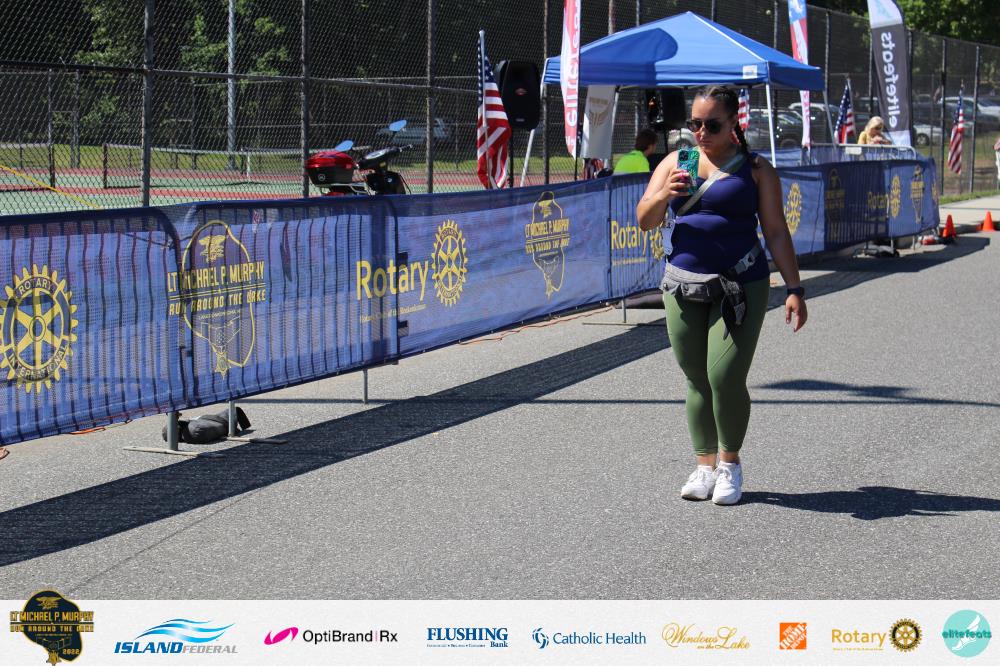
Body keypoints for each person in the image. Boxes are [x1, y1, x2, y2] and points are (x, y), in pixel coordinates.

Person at [636, 85, 807, 505]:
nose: (701, 132)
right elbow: (644, 219)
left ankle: (730, 465)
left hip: (740, 284)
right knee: (696, 378)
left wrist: (794, 288)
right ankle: (704, 466)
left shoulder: (756, 169)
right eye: (694, 123)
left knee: (724, 377)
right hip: (682, 284)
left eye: (712, 125)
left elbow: (776, 231)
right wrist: (665, 194)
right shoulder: (676, 162)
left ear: (734, 123)